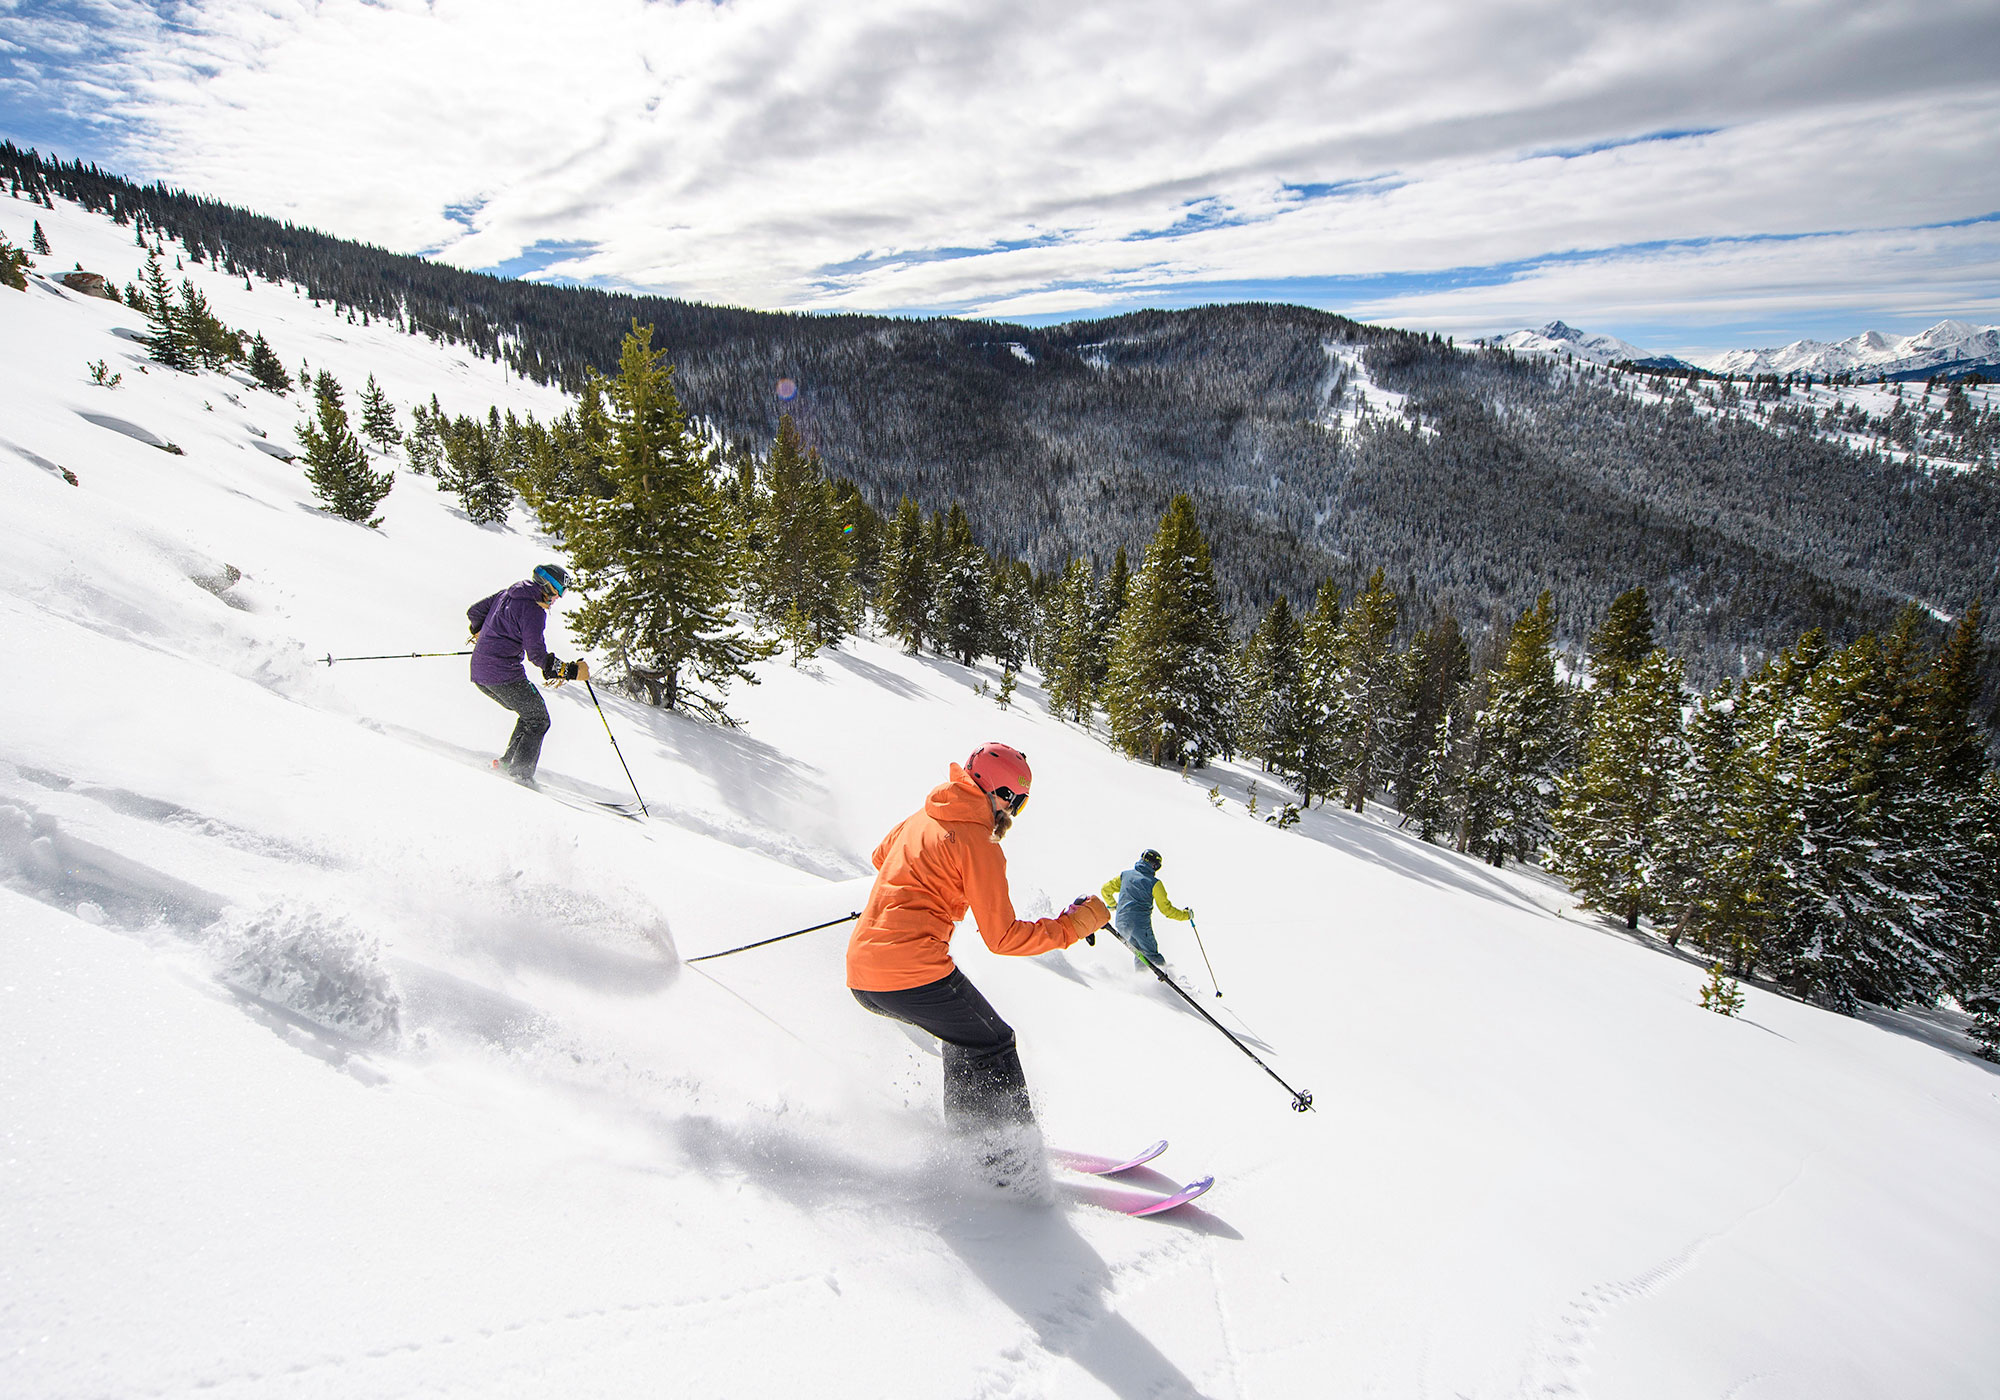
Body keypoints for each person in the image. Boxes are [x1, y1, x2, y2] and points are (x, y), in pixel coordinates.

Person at [848, 742, 1108, 1190]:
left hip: (864, 972)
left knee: (966, 1037)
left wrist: (929, 883)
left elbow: (880, 858)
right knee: (994, 1042)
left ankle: (975, 1140)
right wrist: (1073, 925)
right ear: (1000, 793)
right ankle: (1009, 1166)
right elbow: (1002, 937)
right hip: (911, 970)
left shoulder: (926, 814)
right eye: (1018, 801)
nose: (1014, 813)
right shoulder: (977, 840)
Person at [466, 563, 588, 787]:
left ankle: (507, 763)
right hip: (502, 674)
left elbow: (474, 612)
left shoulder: (507, 593)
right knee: (539, 720)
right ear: (546, 586)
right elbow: (538, 657)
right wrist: (573, 671)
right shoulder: (533, 610)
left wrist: (479, 631)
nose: (557, 598)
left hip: (480, 670)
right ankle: (520, 776)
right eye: (557, 592)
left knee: (530, 713)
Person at [1102, 848, 1192, 971]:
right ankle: (1166, 981)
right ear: (1154, 865)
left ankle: (1143, 982)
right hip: (1139, 925)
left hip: (1121, 923)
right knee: (1152, 954)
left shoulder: (1125, 876)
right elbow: (1167, 910)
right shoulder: (1154, 883)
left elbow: (1105, 890)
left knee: (1140, 954)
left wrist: (1113, 905)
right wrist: (1186, 915)